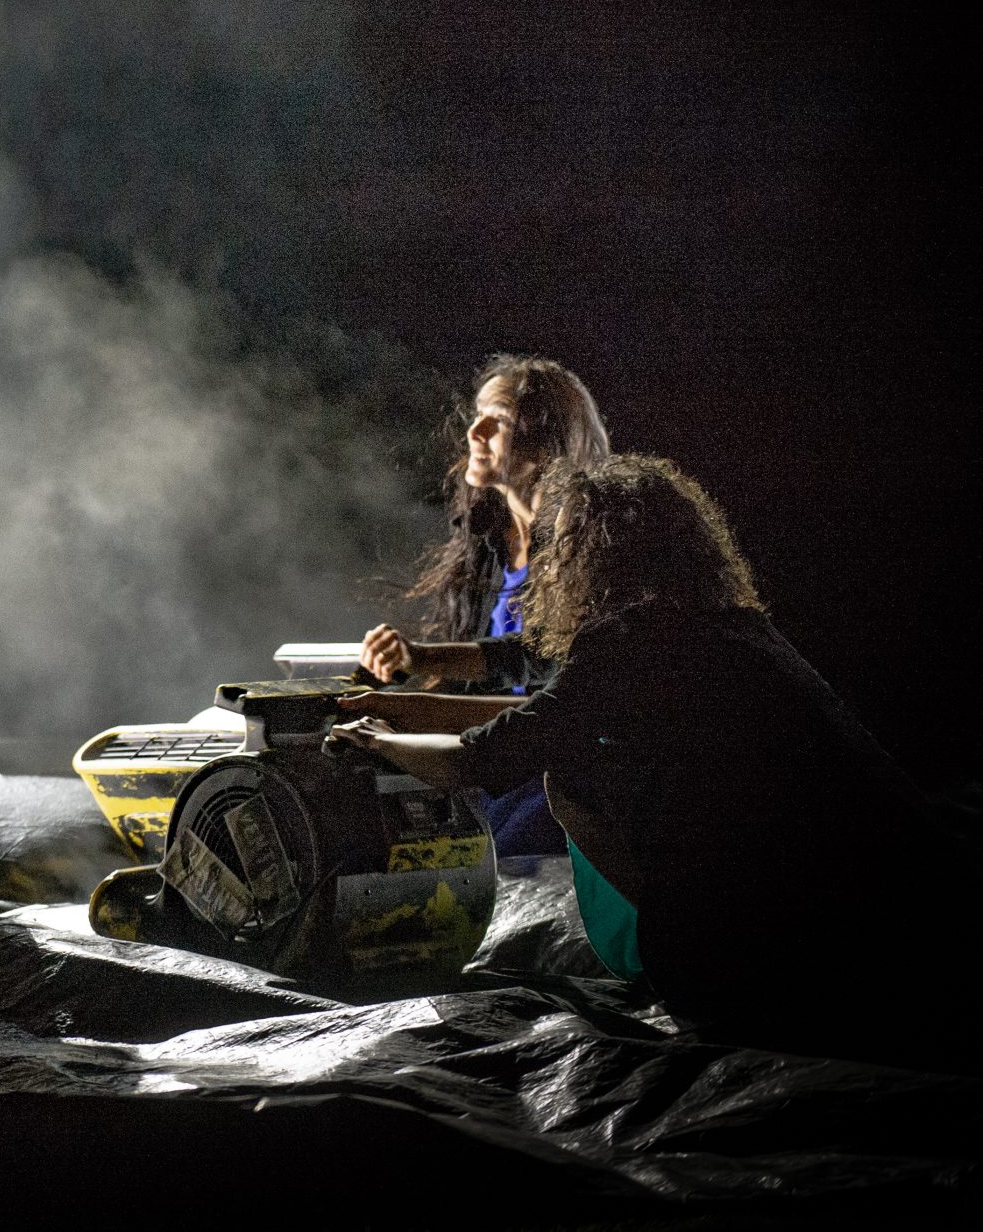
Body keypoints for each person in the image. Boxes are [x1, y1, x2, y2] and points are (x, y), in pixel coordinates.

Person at [331, 455, 957, 1062]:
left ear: (593, 555)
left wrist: (375, 738)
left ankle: (701, 967)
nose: (553, 561)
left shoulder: (629, 641)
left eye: (566, 545)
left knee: (569, 780)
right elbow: (533, 664)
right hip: (914, 922)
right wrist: (426, 669)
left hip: (790, 958)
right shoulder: (729, 626)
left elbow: (483, 759)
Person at [357, 356, 610, 855]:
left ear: (546, 441)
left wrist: (408, 715)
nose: (475, 430)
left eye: (500, 421)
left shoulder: (583, 549)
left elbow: (560, 711)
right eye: (478, 414)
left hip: (551, 778)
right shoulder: (490, 546)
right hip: (499, 761)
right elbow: (521, 652)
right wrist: (417, 661)